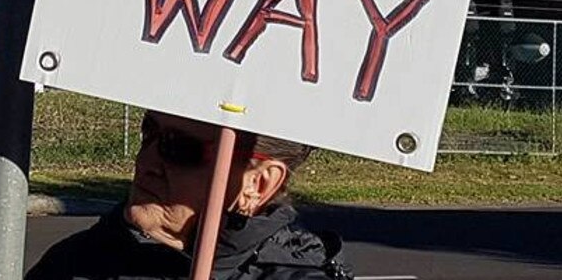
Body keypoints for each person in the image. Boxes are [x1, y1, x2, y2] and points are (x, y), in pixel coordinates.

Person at [26, 110, 352, 280]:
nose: (147, 161)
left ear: (258, 184)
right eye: (149, 132)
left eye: (180, 148)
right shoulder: (74, 262)